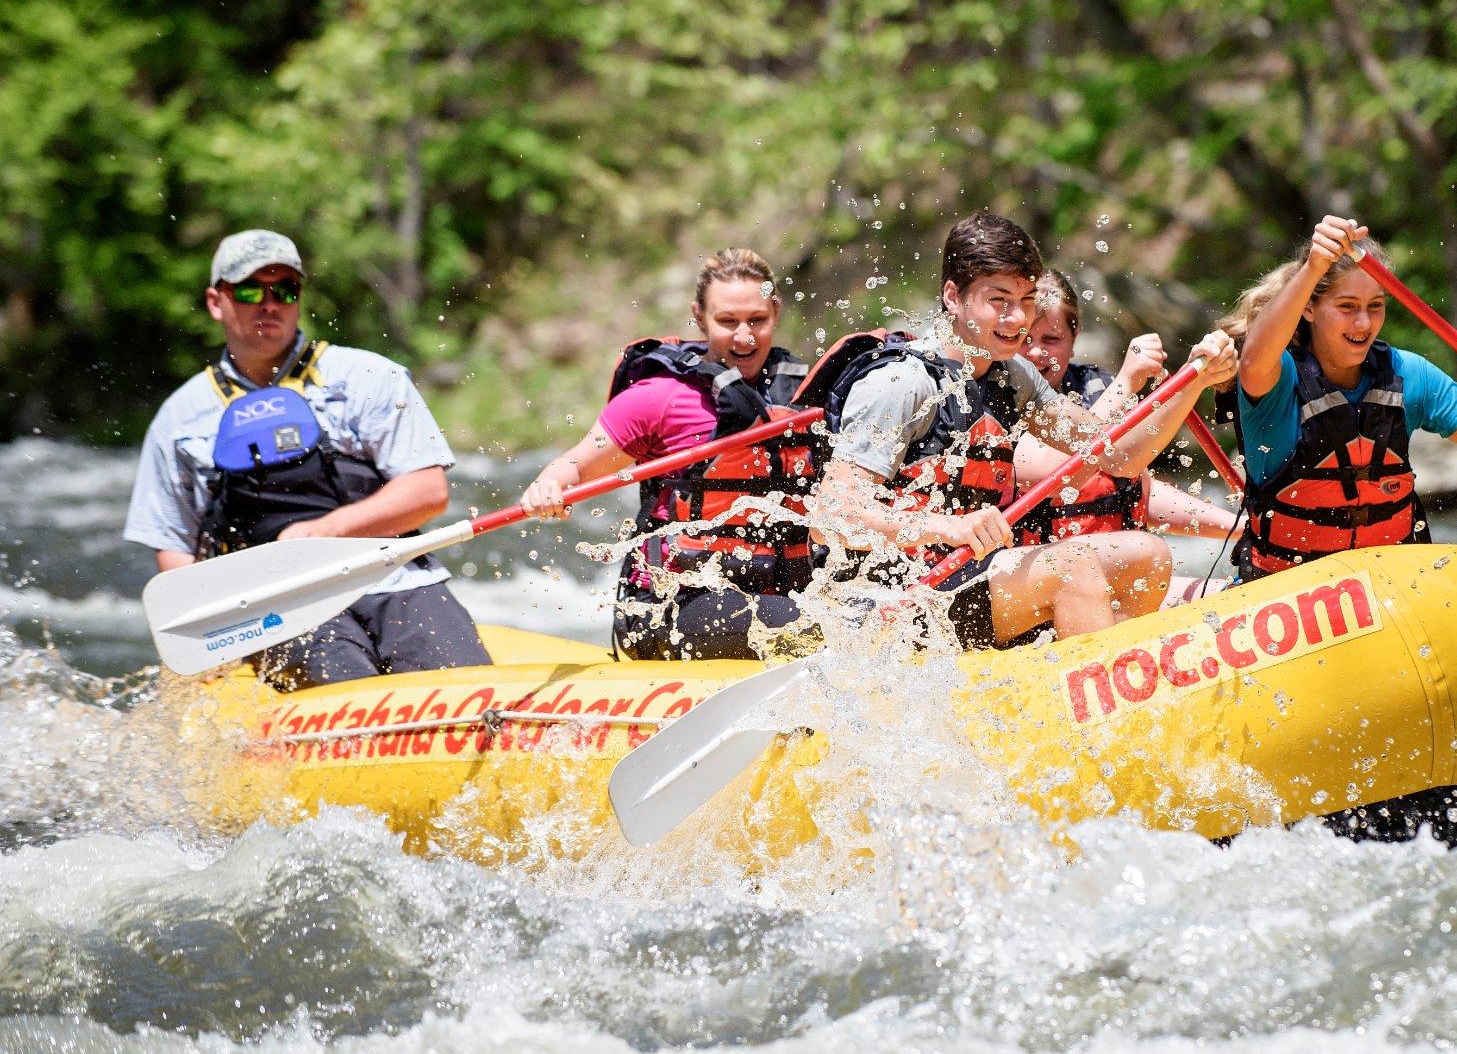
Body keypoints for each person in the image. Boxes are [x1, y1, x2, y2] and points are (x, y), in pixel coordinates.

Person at [811, 213, 1238, 650]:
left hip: (962, 580)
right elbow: (831, 516)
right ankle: (1096, 700)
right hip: (886, 601)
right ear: (953, 297)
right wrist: (947, 528)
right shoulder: (901, 383)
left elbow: (1116, 456)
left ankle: (1096, 675)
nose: (1018, 319)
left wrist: (1193, 381)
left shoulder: (1012, 377)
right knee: (1072, 564)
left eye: (1028, 300)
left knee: (1147, 556)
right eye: (1000, 301)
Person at [124, 229, 490, 689]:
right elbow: (174, 539)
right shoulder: (179, 418)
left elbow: (427, 492)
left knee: (471, 695)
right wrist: (211, 630)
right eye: (251, 290)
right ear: (216, 302)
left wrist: (323, 533)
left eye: (285, 290)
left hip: (395, 579)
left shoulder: (370, 377)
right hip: (277, 607)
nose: (269, 304)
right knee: (346, 690)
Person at [1223, 214, 1457, 582]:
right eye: (1347, 306)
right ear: (1309, 307)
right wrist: (1312, 270)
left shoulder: (1409, 375)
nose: (1363, 324)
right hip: (1284, 595)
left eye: (1375, 305)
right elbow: (1254, 360)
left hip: (1392, 591)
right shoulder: (1279, 379)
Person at [520, 248, 818, 661]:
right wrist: (548, 486)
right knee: (818, 626)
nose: (745, 336)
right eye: (727, 321)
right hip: (673, 606)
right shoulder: (659, 399)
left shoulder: (804, 397)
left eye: (758, 320)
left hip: (778, 593)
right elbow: (575, 465)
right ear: (699, 317)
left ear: (776, 312)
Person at [1015, 270, 1238, 544]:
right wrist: (1125, 382)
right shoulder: (1002, 397)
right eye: (1024, 340)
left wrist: (1239, 527)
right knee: (1149, 549)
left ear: (1074, 339)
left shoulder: (1094, 385)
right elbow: (1057, 474)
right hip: (1045, 571)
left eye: (1051, 339)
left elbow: (1133, 481)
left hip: (1118, 564)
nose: (1037, 352)